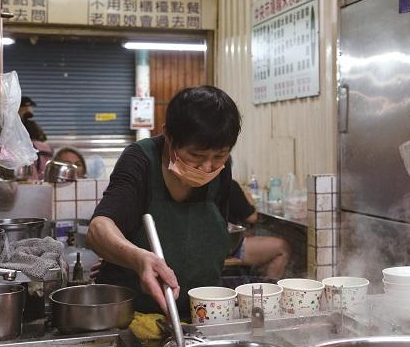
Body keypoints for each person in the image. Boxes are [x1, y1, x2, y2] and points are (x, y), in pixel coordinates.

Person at [86, 85, 241, 316]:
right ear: (168, 135)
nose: (208, 167)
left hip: (199, 316)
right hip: (131, 316)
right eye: (196, 155)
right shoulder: (141, 160)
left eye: (219, 155)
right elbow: (99, 229)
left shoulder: (222, 169)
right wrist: (137, 258)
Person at [227, 179, 291, 281]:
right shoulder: (228, 184)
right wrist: (249, 198)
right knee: (282, 247)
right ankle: (269, 290)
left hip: (212, 245)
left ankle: (258, 282)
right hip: (228, 249)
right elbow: (252, 217)